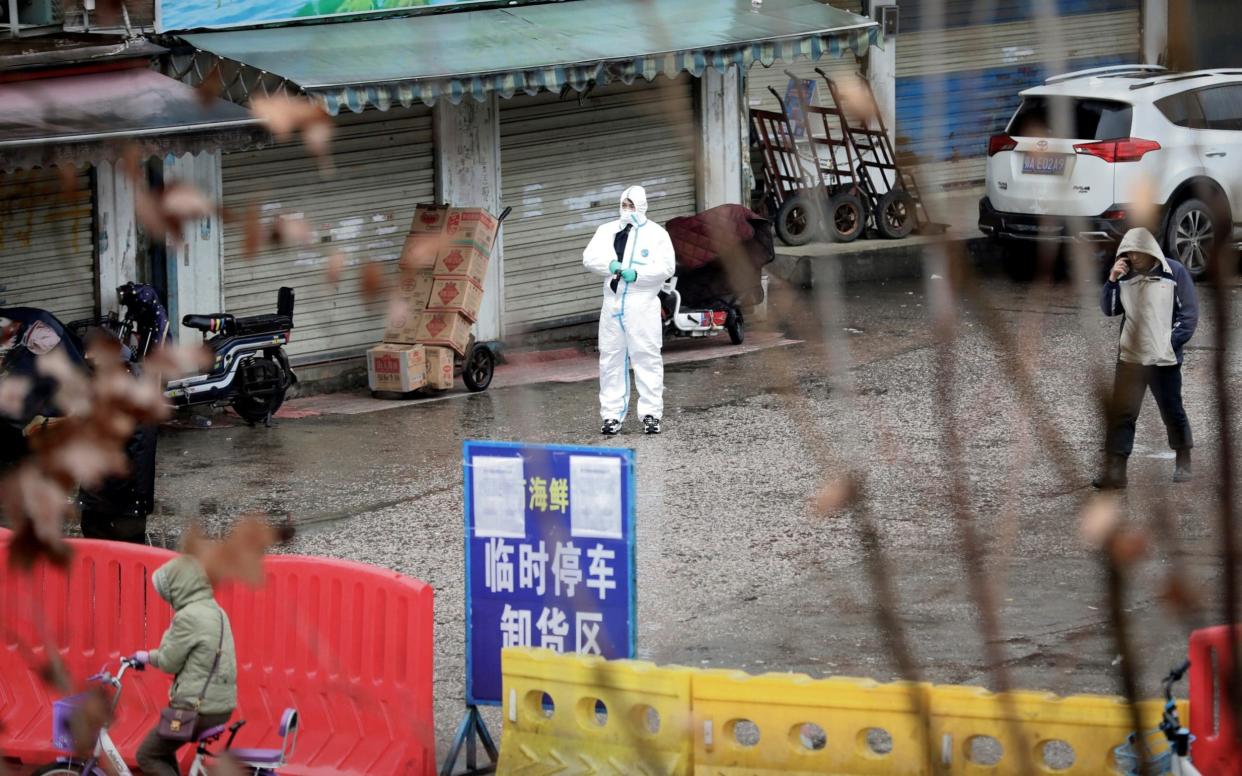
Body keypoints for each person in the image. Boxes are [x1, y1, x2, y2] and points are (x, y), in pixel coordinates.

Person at [1094, 226, 1199, 489]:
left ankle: (1183, 458)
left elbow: (1188, 316)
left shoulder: (1174, 273)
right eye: (1128, 252)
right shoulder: (1125, 275)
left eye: (1137, 252)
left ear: (1150, 250)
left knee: (1172, 411)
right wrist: (1112, 280)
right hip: (1130, 358)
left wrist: (1167, 344)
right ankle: (1116, 471)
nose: (1133, 257)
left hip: (1163, 359)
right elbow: (1110, 309)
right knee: (1123, 414)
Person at [130, 555, 237, 776]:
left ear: (179, 589)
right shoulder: (217, 611)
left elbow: (169, 662)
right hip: (220, 707)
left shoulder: (188, 617)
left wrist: (146, 656)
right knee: (164, 751)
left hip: (196, 710)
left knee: (147, 755)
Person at [582, 186, 676, 435]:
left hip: (641, 303)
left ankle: (651, 415)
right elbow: (589, 257)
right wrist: (610, 264)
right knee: (610, 359)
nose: (627, 210)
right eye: (624, 204)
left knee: (646, 358)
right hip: (612, 303)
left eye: (631, 205)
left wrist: (639, 275)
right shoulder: (607, 230)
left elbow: (667, 267)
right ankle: (612, 416)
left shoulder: (656, 235)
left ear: (642, 205)